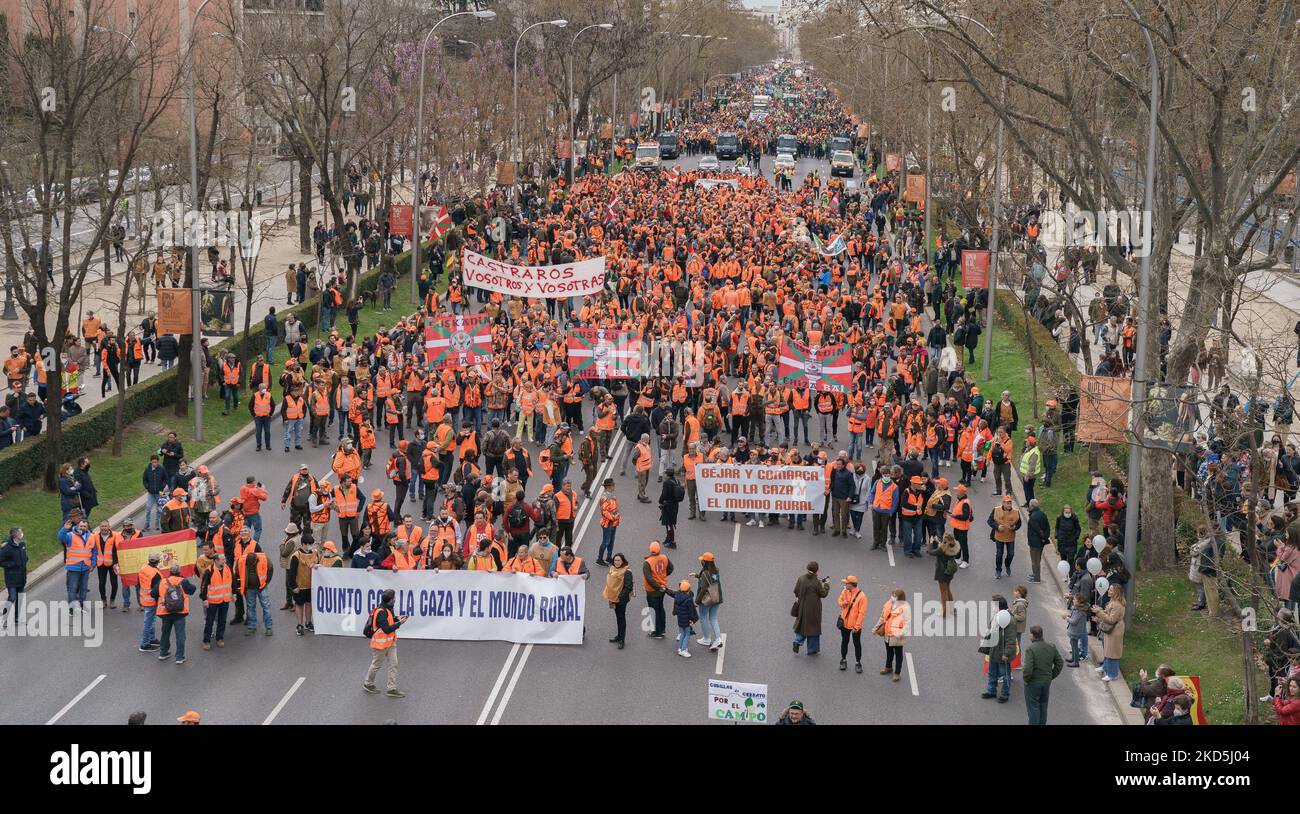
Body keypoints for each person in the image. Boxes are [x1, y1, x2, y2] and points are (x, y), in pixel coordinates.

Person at [363, 588, 407, 697]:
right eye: (394, 598)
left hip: (390, 642)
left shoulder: (388, 608)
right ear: (390, 600)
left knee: (394, 664)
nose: (395, 600)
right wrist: (400, 623)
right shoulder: (381, 612)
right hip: (380, 645)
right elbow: (387, 629)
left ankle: (391, 689)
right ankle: (368, 683)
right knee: (376, 665)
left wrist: (397, 618)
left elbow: (390, 619)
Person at [1021, 625, 1064, 725]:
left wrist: (1026, 679)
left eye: (1030, 634)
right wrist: (1051, 675)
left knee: (1033, 708)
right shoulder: (1051, 646)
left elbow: (1028, 669)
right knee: (1043, 706)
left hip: (1033, 683)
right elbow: (1059, 663)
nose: (1029, 635)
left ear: (1033, 635)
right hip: (1046, 682)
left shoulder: (1030, 649)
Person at [154, 564, 196, 664]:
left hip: (165, 612)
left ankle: (163, 653)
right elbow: (192, 590)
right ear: (179, 572)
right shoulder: (183, 582)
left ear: (170, 571)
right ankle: (179, 657)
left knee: (165, 633)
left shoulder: (162, 581)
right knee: (180, 635)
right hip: (180, 613)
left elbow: (153, 594)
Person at [792, 561, 830, 656]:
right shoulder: (816, 582)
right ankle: (812, 649)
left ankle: (797, 641)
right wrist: (826, 585)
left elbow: (796, 591)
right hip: (813, 609)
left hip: (802, 607)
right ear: (816, 570)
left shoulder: (801, 578)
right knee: (813, 628)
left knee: (802, 625)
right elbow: (823, 594)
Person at [59, 518, 95, 612]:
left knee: (83, 588)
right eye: (81, 526)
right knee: (73, 588)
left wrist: (93, 564)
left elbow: (94, 551)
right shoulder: (70, 535)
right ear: (77, 526)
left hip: (86, 567)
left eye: (84, 526)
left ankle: (81, 606)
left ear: (87, 527)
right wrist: (65, 529)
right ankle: (71, 608)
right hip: (73, 567)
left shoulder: (91, 536)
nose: (83, 528)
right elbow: (61, 538)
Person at [199, 551, 233, 650]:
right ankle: (206, 641)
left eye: (224, 559)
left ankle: (220, 638)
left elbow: (233, 580)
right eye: (222, 559)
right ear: (216, 561)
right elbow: (203, 586)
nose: (225, 561)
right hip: (213, 601)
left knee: (222, 620)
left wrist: (234, 593)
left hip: (224, 600)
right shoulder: (209, 571)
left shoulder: (228, 568)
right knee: (209, 621)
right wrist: (204, 599)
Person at [1093, 583, 1126, 682]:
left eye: (1111, 590)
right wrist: (1100, 611)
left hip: (1115, 631)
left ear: (1116, 593)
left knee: (1113, 652)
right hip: (1112, 629)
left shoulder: (1117, 605)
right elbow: (1108, 614)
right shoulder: (1113, 602)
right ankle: (1105, 667)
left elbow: (1111, 619)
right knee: (1108, 650)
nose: (1108, 591)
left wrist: (1099, 612)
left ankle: (1112, 674)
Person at [288, 536, 320, 635]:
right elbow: (291, 573)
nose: (310, 546)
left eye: (311, 544)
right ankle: (299, 625)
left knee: (309, 604)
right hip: (300, 586)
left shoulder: (315, 553)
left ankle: (308, 622)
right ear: (303, 544)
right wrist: (294, 586)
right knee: (299, 604)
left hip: (311, 585)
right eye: (308, 544)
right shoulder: (296, 556)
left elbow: (319, 565)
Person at [876, 588, 910, 682]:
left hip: (897, 635)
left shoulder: (905, 608)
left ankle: (897, 673)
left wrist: (901, 634)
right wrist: (876, 627)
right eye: (892, 595)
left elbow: (908, 623)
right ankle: (888, 667)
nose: (892, 597)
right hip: (888, 633)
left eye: (895, 596)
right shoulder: (888, 604)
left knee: (898, 654)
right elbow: (883, 617)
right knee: (889, 652)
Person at [692, 552, 724, 651]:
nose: (701, 561)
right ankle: (718, 639)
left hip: (707, 599)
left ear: (705, 562)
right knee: (713, 618)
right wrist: (698, 576)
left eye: (702, 560)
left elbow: (703, 589)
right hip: (716, 596)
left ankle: (706, 639)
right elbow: (709, 580)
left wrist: (697, 601)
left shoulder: (705, 573)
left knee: (703, 617)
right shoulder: (716, 570)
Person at [837, 575, 868, 674]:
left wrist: (857, 626)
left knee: (857, 644)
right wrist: (843, 603)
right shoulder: (845, 591)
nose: (845, 584)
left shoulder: (862, 596)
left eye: (846, 583)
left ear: (851, 585)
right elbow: (839, 600)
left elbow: (861, 613)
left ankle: (858, 662)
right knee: (844, 642)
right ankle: (843, 660)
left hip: (855, 626)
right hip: (845, 623)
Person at [642, 541, 673, 639]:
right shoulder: (664, 557)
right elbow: (671, 568)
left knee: (654, 610)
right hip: (662, 587)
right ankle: (662, 629)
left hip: (652, 590)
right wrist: (662, 577)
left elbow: (649, 578)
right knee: (660, 608)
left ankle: (657, 632)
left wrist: (657, 586)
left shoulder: (647, 562)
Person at [604, 552, 633, 649]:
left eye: (618, 560)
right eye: (615, 560)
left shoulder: (627, 571)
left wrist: (619, 596)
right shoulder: (612, 568)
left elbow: (628, 587)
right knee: (618, 617)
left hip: (621, 599)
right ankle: (619, 635)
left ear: (623, 561)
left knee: (621, 618)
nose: (616, 562)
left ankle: (622, 639)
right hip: (613, 597)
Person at [987, 494, 1021, 578]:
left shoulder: (1016, 512)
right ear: (1003, 503)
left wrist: (1015, 527)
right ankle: (998, 570)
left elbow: (1019, 523)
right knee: (999, 554)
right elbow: (989, 521)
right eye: (1007, 503)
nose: (1009, 505)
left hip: (1010, 537)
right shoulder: (996, 510)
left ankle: (1007, 564)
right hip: (999, 536)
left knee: (1011, 554)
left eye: (1010, 503)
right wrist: (997, 527)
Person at [1, 527, 29, 615]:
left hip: (21, 576)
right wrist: (10, 564)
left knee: (20, 598)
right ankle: (4, 618)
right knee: (12, 597)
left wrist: (25, 559)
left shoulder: (22, 544)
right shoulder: (7, 548)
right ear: (15, 535)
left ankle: (17, 618)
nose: (22, 534)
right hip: (11, 578)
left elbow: (25, 557)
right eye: (20, 533)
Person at [673, 579, 699, 658]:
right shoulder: (688, 599)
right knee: (687, 634)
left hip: (680, 619)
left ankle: (680, 648)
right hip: (686, 620)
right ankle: (683, 650)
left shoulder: (677, 596)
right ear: (688, 589)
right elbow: (691, 611)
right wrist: (693, 619)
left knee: (682, 634)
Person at [1025, 499, 1050, 583]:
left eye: (1029, 505)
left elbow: (1038, 530)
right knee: (1037, 559)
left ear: (1032, 506)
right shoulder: (1043, 514)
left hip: (1035, 543)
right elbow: (1047, 527)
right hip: (1041, 542)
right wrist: (1045, 538)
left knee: (1035, 561)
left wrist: (1042, 536)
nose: (1028, 507)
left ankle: (1036, 578)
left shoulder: (1033, 517)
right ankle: (1035, 573)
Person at [597, 479, 620, 566]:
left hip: (613, 522)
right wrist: (614, 517)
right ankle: (599, 559)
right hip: (608, 523)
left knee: (611, 541)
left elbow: (614, 508)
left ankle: (608, 557)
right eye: (613, 485)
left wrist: (616, 517)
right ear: (609, 487)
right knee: (606, 541)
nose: (614, 487)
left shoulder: (611, 495)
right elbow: (605, 511)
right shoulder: (605, 497)